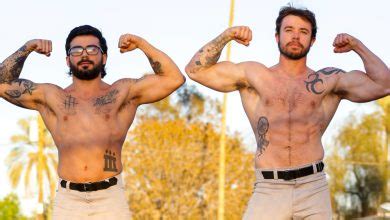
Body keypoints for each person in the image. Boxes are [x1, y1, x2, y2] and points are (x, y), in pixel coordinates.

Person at [185, 6, 389, 219]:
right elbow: (195, 70)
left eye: (303, 32)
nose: (295, 36)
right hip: (269, 188)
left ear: (312, 41)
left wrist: (357, 46)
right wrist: (226, 36)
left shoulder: (328, 80)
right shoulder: (255, 75)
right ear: (277, 36)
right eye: (289, 29)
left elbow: (384, 84)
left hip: (313, 187)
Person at [0, 25, 185, 219]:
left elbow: (174, 78)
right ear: (67, 59)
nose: (84, 54)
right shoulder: (51, 97)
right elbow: (2, 84)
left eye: (92, 49)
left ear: (104, 57)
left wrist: (141, 44)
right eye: (77, 50)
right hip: (68, 202)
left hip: (110, 199)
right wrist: (27, 47)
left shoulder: (122, 93)